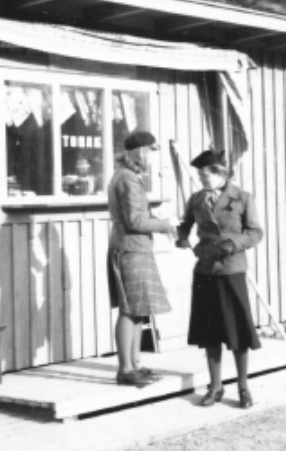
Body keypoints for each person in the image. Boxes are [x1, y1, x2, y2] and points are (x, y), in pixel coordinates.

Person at [176, 148, 263, 408]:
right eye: (200, 177)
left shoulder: (242, 198)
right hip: (205, 271)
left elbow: (256, 232)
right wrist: (182, 236)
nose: (202, 181)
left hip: (231, 270)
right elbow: (186, 223)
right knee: (209, 332)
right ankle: (215, 387)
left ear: (220, 174)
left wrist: (233, 243)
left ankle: (244, 387)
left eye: (205, 176)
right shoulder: (196, 199)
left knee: (237, 333)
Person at [107, 131, 176, 387]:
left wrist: (154, 215)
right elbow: (135, 221)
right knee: (129, 309)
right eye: (149, 152)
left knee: (138, 310)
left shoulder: (127, 176)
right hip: (130, 248)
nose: (151, 158)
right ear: (138, 152)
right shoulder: (128, 179)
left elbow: (135, 213)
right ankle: (125, 369)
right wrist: (166, 224)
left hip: (133, 247)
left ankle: (135, 364)